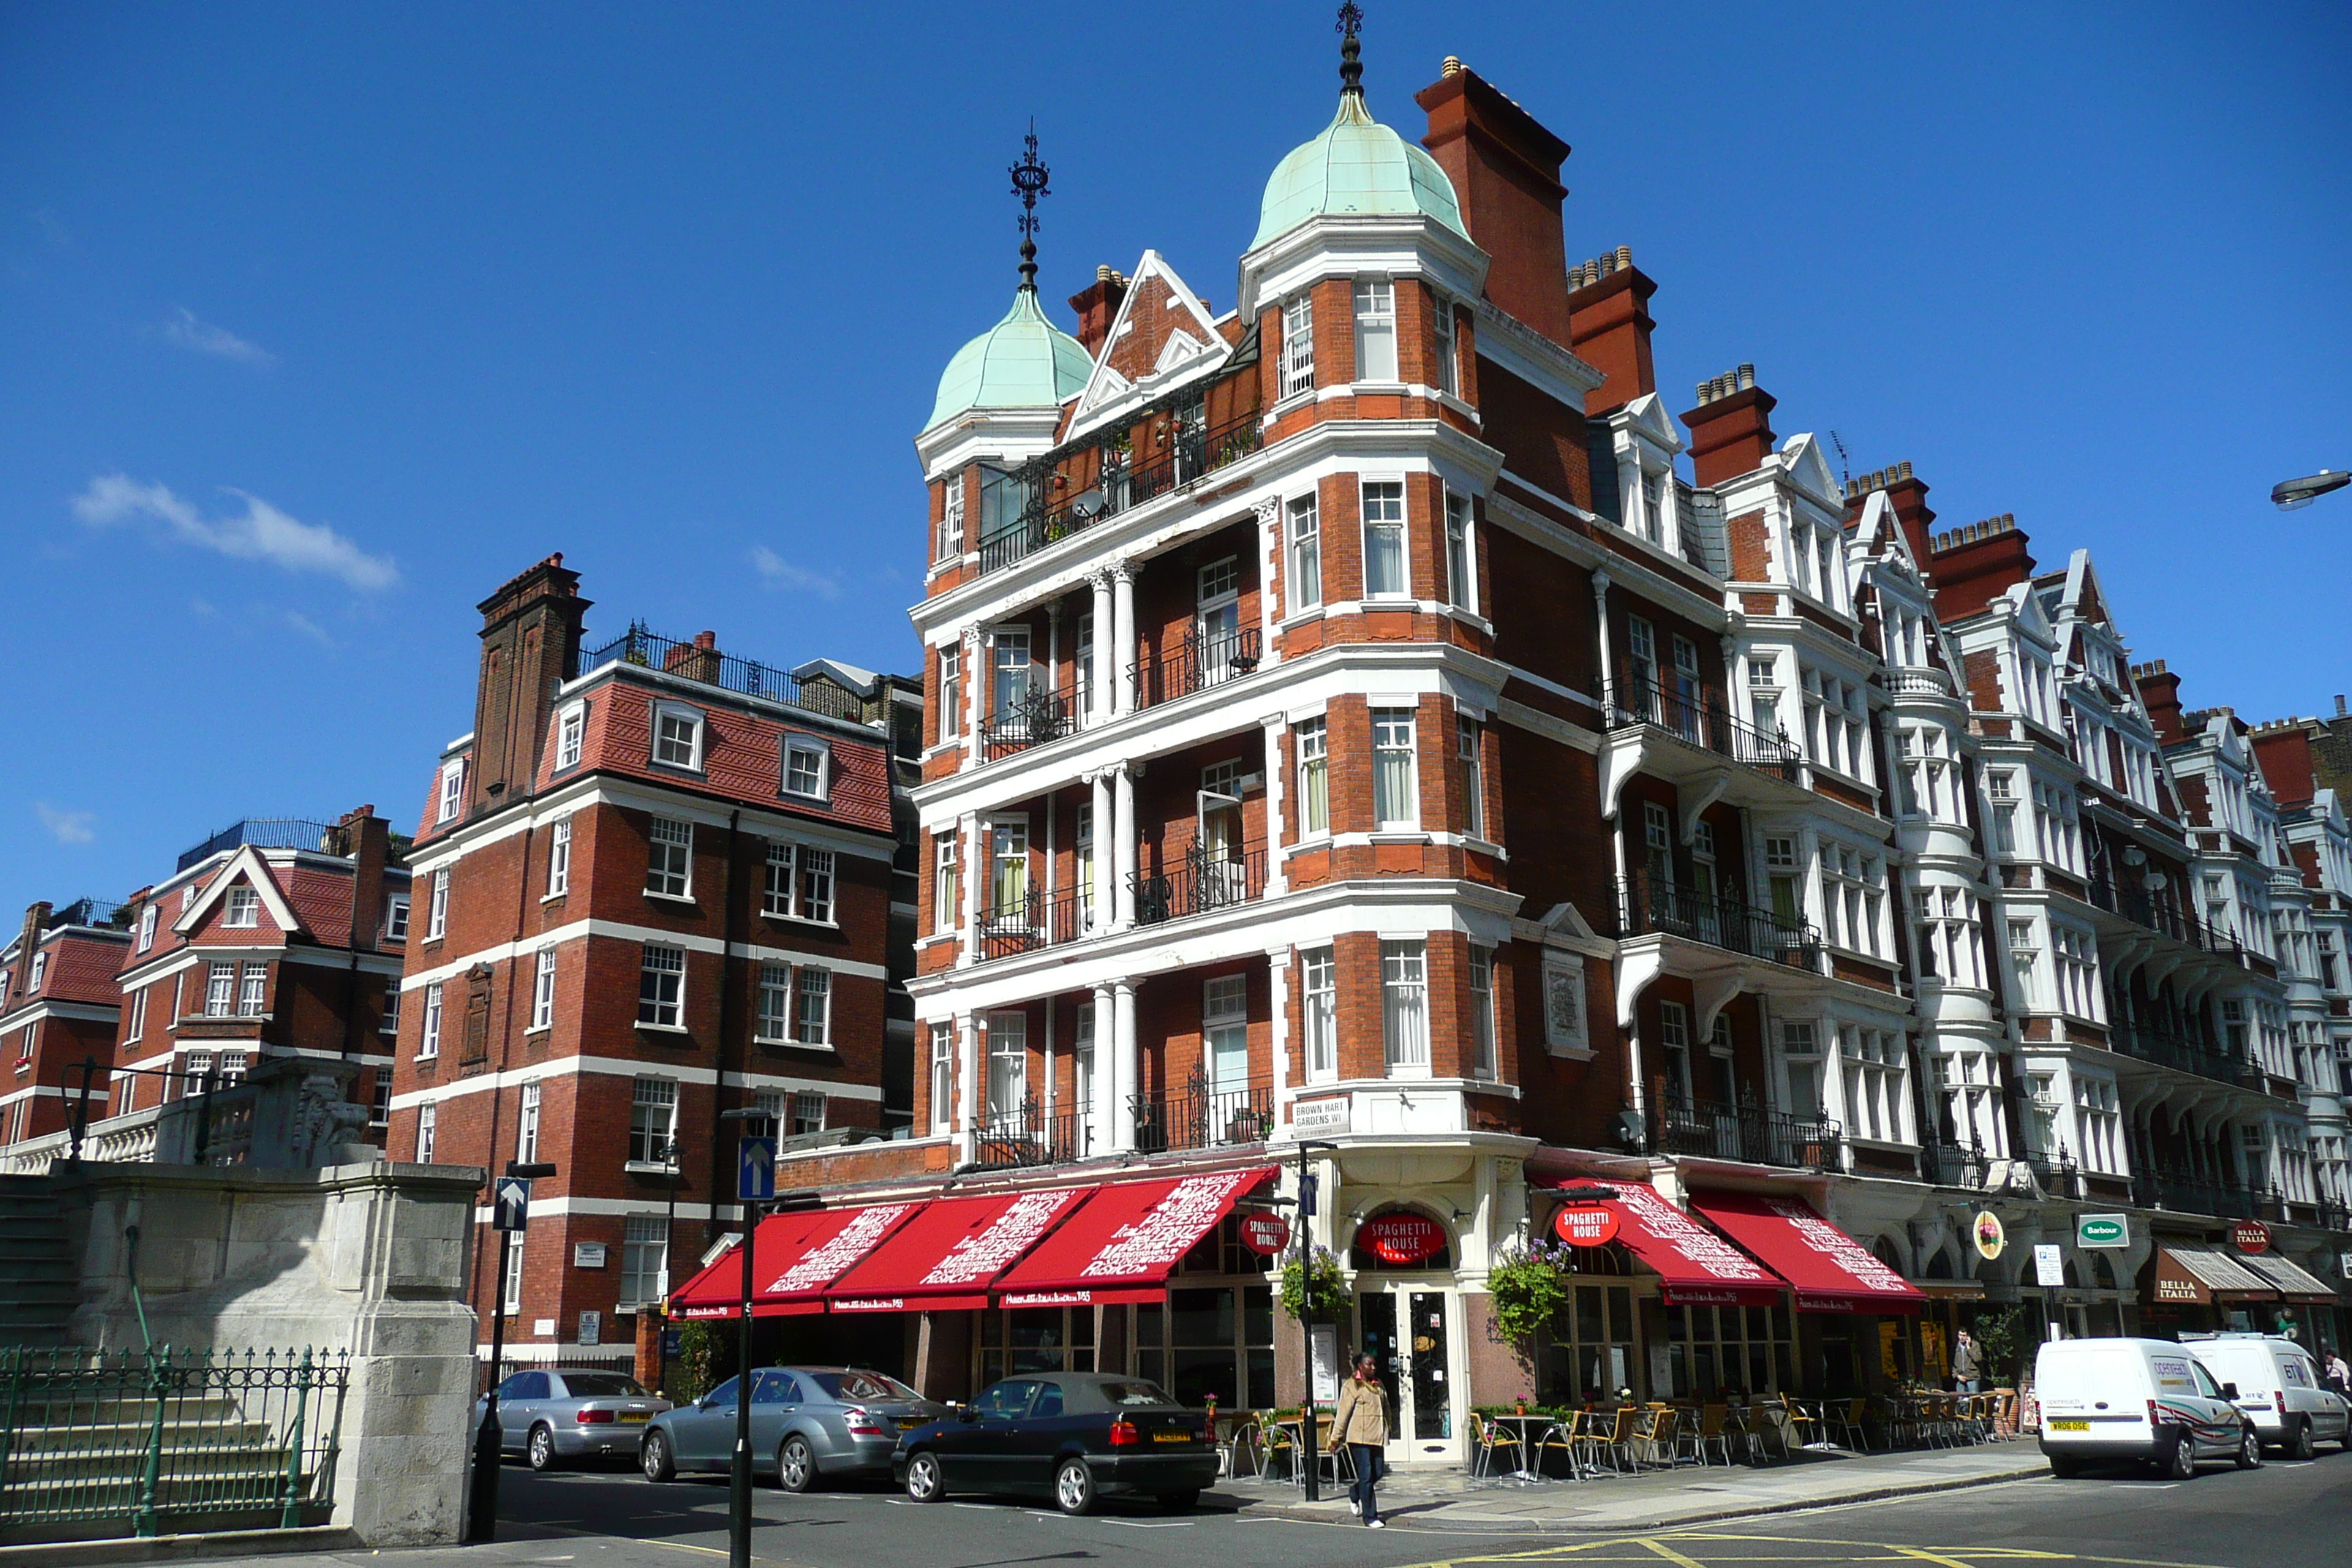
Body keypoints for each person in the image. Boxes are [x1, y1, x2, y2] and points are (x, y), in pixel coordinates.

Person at [1328, 1352, 1390, 1529]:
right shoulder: (1351, 1386)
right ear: (1360, 1367)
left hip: (1376, 1437)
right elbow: (1343, 1414)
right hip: (1359, 1438)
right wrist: (1335, 1439)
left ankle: (1355, 1493)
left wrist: (1388, 1429)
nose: (1373, 1368)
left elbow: (1386, 1410)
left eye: (1374, 1364)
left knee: (1376, 1473)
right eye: (1369, 1365)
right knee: (1366, 1475)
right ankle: (1370, 1517)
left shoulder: (1379, 1385)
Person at [1950, 1329, 1982, 1395]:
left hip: (1972, 1377)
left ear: (1968, 1336)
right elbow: (1951, 1363)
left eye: (1964, 1336)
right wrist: (1957, 1375)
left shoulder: (1975, 1345)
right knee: (1962, 1401)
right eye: (1960, 1335)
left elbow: (1977, 1359)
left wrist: (1968, 1348)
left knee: (1973, 1401)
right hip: (1960, 1377)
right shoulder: (1955, 1347)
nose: (1962, 1338)